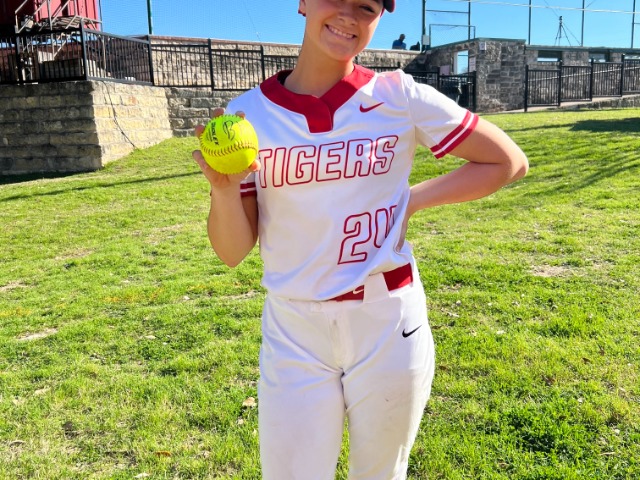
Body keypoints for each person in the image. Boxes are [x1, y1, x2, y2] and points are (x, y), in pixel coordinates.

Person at [193, 0, 528, 478]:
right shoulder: (248, 115)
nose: (349, 14)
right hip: (295, 328)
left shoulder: (398, 96)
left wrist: (411, 200)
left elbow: (507, 162)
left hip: (388, 320)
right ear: (303, 2)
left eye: (367, 5)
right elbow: (231, 252)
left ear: (380, 18)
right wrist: (224, 192)